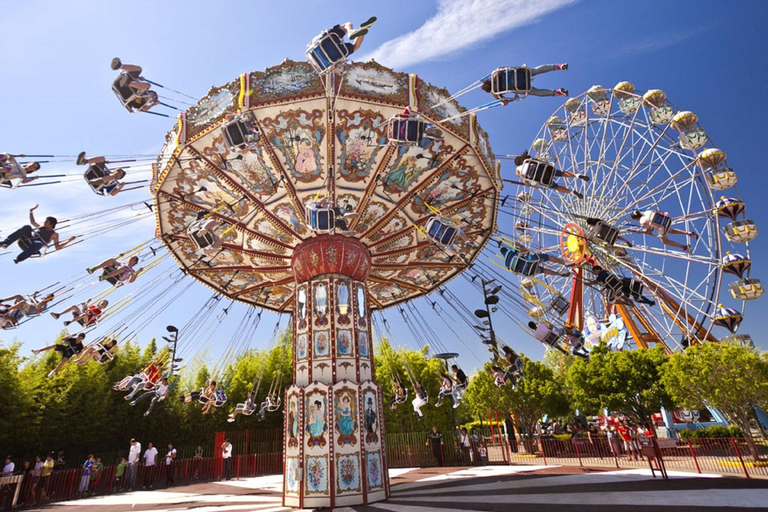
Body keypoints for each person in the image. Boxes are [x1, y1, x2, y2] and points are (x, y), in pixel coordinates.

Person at [0, 205, 75, 263]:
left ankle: (19, 258)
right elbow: (32, 222)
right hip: (28, 240)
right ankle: (6, 243)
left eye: (46, 222)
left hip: (35, 246)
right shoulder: (41, 227)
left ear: (51, 224)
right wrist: (31, 211)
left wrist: (69, 240)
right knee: (27, 227)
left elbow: (57, 247)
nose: (44, 223)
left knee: (39, 243)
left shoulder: (54, 234)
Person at [481, 63, 569, 104]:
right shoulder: (495, 75)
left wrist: (506, 101)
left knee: (537, 92)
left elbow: (505, 101)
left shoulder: (495, 93)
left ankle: (557, 92)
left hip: (521, 87)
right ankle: (558, 67)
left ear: (488, 90)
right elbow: (502, 68)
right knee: (537, 70)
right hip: (520, 73)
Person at [309, 17, 377, 69]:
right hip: (327, 43)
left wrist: (342, 69)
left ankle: (362, 31)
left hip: (330, 53)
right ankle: (352, 31)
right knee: (347, 25)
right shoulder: (312, 52)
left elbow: (334, 69)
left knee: (355, 47)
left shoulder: (320, 65)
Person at [513, 151, 586, 198]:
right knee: (561, 173)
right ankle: (576, 175)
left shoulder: (518, 169)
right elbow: (541, 161)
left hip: (541, 178)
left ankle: (571, 192)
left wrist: (526, 183)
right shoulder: (529, 160)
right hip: (546, 169)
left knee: (556, 187)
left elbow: (522, 177)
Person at [630, 209, 698, 252]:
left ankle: (684, 247)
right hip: (666, 220)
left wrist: (641, 232)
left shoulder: (642, 221)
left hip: (661, 227)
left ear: (636, 218)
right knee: (670, 230)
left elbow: (649, 231)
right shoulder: (647, 211)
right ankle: (688, 233)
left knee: (665, 242)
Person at [588, 265, 656, 306]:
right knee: (633, 294)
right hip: (619, 285)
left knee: (609, 300)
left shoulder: (601, 275)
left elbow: (596, 281)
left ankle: (626, 303)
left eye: (594, 271)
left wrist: (587, 283)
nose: (594, 273)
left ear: (598, 269)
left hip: (614, 288)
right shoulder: (606, 271)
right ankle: (649, 302)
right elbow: (604, 282)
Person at [500, 245, 571, 278]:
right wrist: (519, 245)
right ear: (506, 249)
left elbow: (515, 272)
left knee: (543, 270)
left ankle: (559, 274)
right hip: (530, 261)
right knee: (547, 257)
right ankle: (565, 263)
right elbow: (525, 250)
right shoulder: (511, 251)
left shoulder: (507, 265)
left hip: (528, 272)